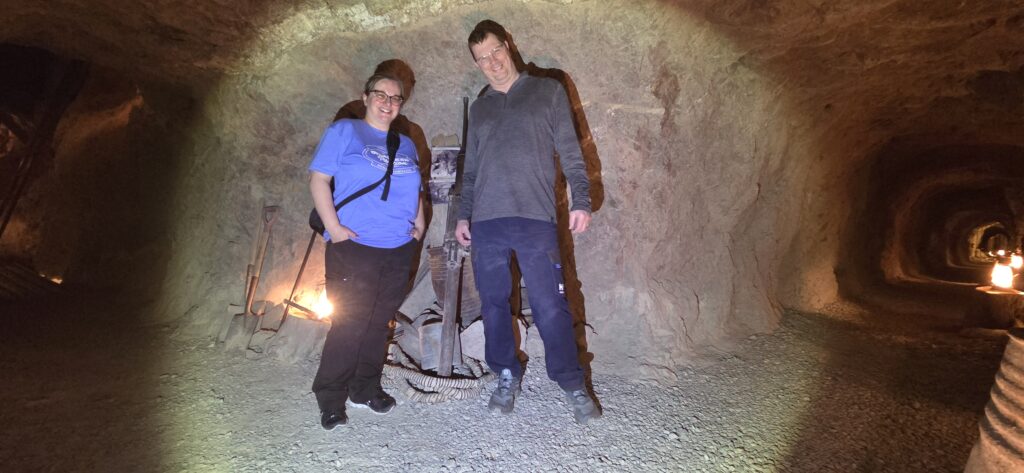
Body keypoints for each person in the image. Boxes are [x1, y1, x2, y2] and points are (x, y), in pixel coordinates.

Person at [455, 19, 600, 424]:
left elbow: (571, 153)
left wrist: (581, 200)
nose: (492, 62)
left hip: (535, 218)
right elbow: (470, 170)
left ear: (509, 45)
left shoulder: (547, 91)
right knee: (494, 304)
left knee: (551, 305)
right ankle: (505, 374)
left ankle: (572, 382)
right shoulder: (480, 107)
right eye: (482, 59)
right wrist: (463, 214)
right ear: (476, 64)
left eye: (496, 51)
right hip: (487, 223)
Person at [308, 71, 425, 430]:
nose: (388, 103)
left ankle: (365, 388)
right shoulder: (344, 131)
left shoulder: (405, 143)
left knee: (378, 324)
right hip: (354, 246)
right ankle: (330, 396)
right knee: (349, 324)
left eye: (395, 98)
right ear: (366, 96)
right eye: (381, 95)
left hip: (397, 248)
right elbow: (319, 180)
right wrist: (334, 229)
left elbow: (413, 187)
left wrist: (419, 224)